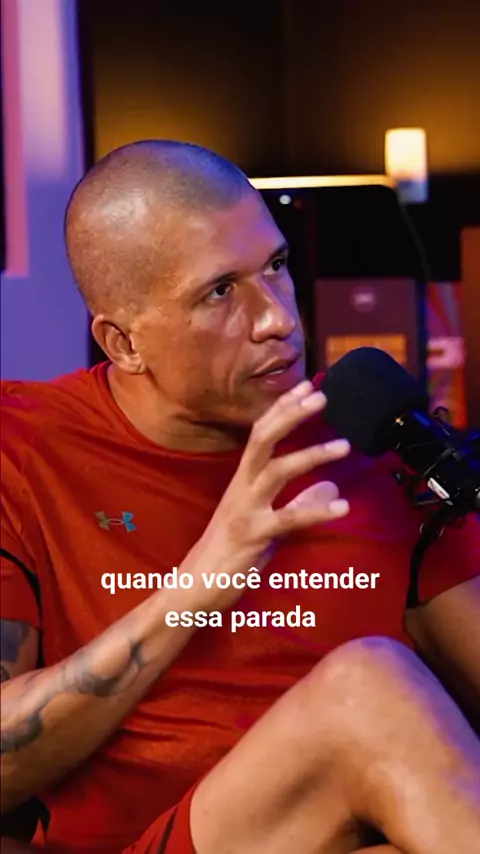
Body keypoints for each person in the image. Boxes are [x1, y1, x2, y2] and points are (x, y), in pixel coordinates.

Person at [1, 140, 479, 854]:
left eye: (276, 266)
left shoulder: (367, 437)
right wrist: (207, 574)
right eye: (220, 292)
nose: (277, 318)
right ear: (123, 343)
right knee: (364, 687)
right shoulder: (22, 447)